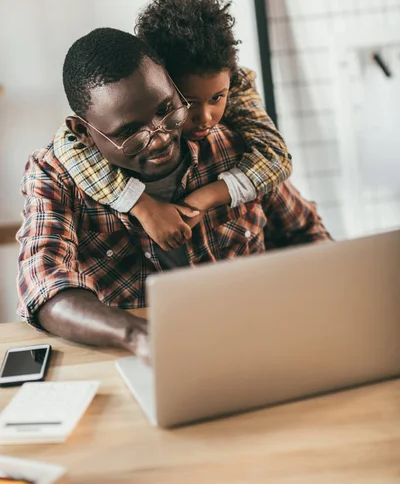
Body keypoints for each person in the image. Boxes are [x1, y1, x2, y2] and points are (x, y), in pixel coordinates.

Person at [17, 28, 331, 359]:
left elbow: (306, 231)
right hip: (142, 356)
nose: (160, 139)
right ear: (84, 133)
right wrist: (138, 335)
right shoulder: (57, 176)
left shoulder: (236, 148)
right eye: (129, 133)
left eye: (167, 109)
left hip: (258, 341)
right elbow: (44, 287)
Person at [52, 0, 293, 252]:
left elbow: (277, 157)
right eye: (188, 102)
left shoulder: (237, 113)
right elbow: (68, 144)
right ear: (163, 85)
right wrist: (142, 206)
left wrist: (204, 198)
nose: (205, 118)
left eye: (216, 98)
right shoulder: (63, 168)